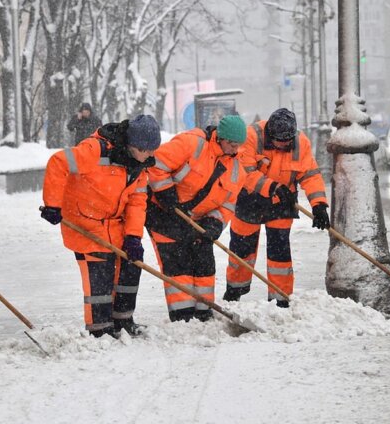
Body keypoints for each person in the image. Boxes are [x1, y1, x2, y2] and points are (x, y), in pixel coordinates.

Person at [41, 114, 160, 338]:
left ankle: (122, 320)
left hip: (114, 224)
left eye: (153, 150)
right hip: (84, 224)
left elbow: (136, 202)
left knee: (132, 264)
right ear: (132, 144)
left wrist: (133, 237)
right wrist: (52, 205)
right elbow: (58, 162)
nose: (151, 155)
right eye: (147, 150)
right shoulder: (95, 150)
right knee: (100, 272)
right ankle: (100, 328)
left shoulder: (141, 166)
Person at [145, 115, 247, 323]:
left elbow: (228, 204)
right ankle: (182, 317)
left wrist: (215, 223)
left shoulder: (237, 169)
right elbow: (155, 164)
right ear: (220, 137)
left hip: (197, 220)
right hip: (163, 213)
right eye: (232, 144)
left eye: (239, 145)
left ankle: (203, 312)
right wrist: (166, 194)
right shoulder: (191, 143)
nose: (234, 150)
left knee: (204, 263)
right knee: (178, 264)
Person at [223, 108, 329, 308]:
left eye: (286, 141)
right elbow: (245, 171)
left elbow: (310, 175)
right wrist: (272, 187)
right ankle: (234, 292)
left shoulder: (301, 143)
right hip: (248, 199)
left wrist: (319, 205)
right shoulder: (251, 136)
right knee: (241, 249)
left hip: (281, 202)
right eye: (278, 141)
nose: (282, 145)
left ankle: (280, 297)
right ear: (270, 133)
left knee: (279, 252)